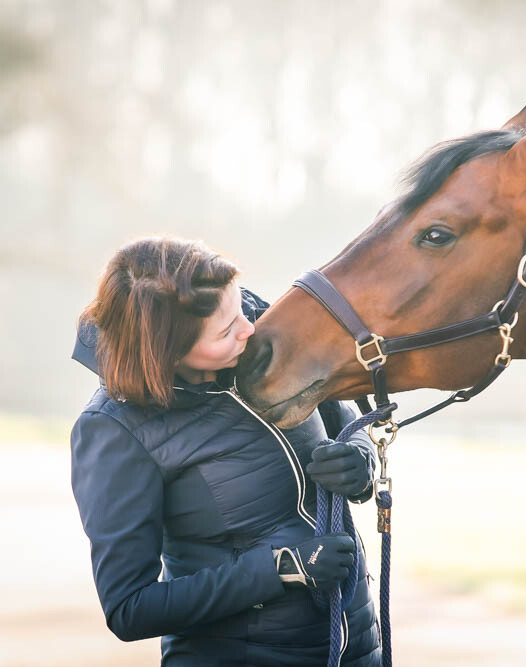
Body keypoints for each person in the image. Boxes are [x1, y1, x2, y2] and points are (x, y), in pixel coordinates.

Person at [69, 237, 382, 666]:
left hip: (357, 647)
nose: (249, 327)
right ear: (169, 351)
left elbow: (340, 412)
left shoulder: (253, 328)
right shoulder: (114, 430)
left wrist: (360, 457)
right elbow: (130, 608)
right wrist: (283, 569)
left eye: (241, 307)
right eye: (225, 329)